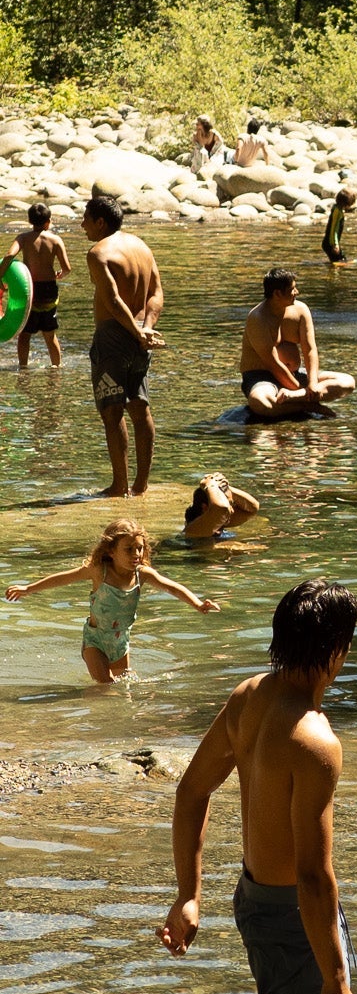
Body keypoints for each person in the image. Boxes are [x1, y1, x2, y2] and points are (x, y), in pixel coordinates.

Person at [160, 579, 357, 994]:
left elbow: (192, 790)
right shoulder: (315, 742)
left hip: (258, 901)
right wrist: (336, 981)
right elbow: (314, 877)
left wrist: (189, 896)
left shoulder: (248, 697)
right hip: (293, 914)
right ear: (336, 651)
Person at [5, 518, 219, 684]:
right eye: (128, 549)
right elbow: (64, 578)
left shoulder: (142, 574)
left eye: (139, 548)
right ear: (111, 550)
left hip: (121, 642)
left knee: (125, 685)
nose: (136, 554)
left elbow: (172, 587)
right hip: (95, 640)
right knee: (106, 685)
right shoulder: (99, 571)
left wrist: (198, 604)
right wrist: (28, 589)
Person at [83, 195, 165, 497]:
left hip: (112, 338)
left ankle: (119, 486)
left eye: (86, 219)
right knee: (140, 407)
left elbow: (113, 301)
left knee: (112, 411)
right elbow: (156, 292)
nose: (82, 225)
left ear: (100, 222)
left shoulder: (98, 252)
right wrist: (146, 329)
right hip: (140, 341)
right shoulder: (142, 247)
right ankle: (141, 485)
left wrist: (134, 329)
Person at [240, 269, 355, 421]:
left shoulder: (300, 310)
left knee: (347, 382)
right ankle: (306, 406)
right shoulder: (258, 318)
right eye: (292, 289)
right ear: (277, 293)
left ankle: (292, 399)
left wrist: (312, 384)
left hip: (295, 376)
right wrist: (305, 393)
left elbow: (310, 349)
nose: (297, 292)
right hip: (263, 377)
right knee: (260, 402)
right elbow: (272, 363)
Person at [1, 201, 71, 367]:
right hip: (48, 290)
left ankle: (23, 367)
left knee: (25, 333)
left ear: (29, 221)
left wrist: (1, 276)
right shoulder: (55, 240)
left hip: (29, 289)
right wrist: (59, 275)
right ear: (48, 222)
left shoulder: (23, 238)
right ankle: (56, 367)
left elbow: (10, 255)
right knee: (49, 334)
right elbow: (67, 268)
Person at [185, 475, 261, 542]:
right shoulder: (196, 529)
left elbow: (252, 508)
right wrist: (209, 485)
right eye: (229, 504)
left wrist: (225, 487)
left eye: (231, 504)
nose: (232, 510)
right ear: (205, 508)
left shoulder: (218, 524)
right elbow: (222, 509)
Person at [322, 188, 357, 266]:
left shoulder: (336, 208)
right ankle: (334, 276)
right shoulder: (337, 212)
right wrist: (335, 245)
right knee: (340, 262)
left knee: (341, 260)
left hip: (329, 243)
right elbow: (334, 229)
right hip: (330, 243)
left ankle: (332, 271)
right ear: (346, 203)